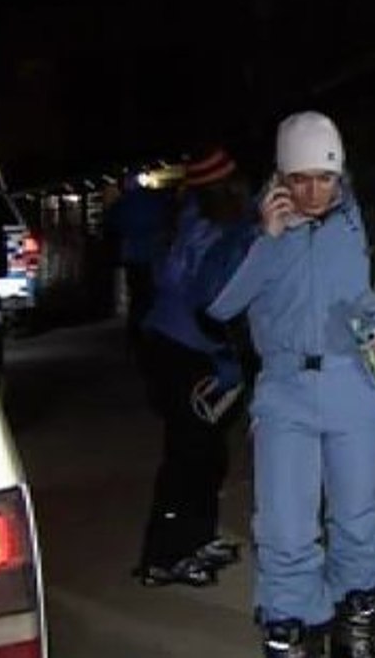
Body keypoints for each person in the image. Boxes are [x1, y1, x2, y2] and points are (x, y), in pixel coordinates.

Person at [204, 111, 375, 658]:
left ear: (341, 173)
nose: (314, 191)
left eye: (325, 177)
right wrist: (264, 238)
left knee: (356, 514)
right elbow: (218, 303)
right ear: (281, 176)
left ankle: (359, 610)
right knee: (284, 523)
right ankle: (291, 625)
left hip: (355, 383)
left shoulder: (372, 222)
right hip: (285, 387)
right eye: (300, 178)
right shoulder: (255, 228)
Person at [133, 147, 257, 588]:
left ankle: (196, 538)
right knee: (189, 455)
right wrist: (227, 357)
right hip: (186, 350)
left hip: (177, 346)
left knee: (207, 452)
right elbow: (211, 300)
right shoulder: (210, 230)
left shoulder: (190, 220)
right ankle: (164, 556)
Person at [104, 170, 175, 354]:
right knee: (152, 293)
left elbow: (112, 223)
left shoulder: (122, 205)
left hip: (133, 257)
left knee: (137, 295)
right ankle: (153, 329)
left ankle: (137, 333)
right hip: (153, 255)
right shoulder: (153, 200)